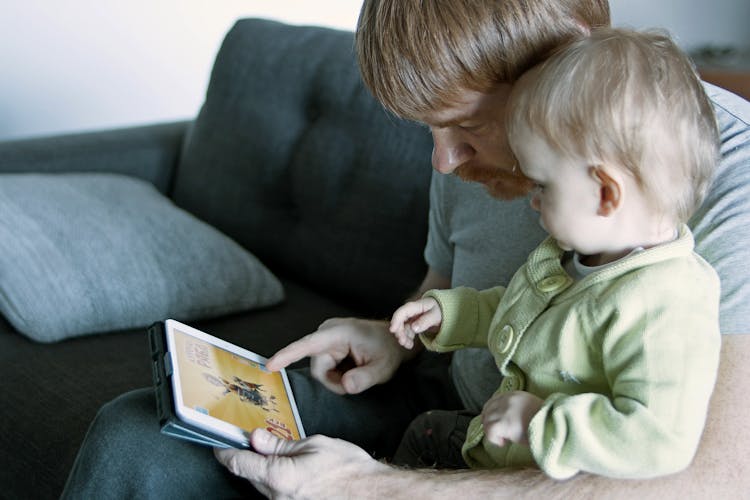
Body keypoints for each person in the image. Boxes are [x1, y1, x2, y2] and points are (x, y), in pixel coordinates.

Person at [62, 1, 750, 498]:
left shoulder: (713, 179)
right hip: (444, 421)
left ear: (561, 55)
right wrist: (398, 338)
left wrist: (370, 488)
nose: (443, 162)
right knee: (137, 433)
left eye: (468, 125)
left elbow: (708, 479)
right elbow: (449, 288)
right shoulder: (464, 162)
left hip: (545, 461)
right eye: (427, 130)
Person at [389, 28, 721, 478]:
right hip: (490, 444)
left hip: (538, 475)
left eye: (543, 184)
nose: (533, 200)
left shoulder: (664, 304)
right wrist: (449, 315)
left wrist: (540, 422)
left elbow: (657, 438)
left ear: (606, 194)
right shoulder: (576, 255)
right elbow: (520, 315)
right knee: (420, 433)